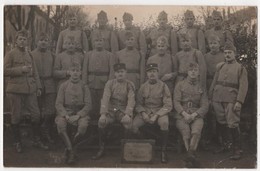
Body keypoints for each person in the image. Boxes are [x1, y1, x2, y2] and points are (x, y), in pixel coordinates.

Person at [4, 30, 48, 153]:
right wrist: (20, 69)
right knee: (16, 116)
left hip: (30, 89)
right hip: (15, 90)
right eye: (20, 39)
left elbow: (35, 73)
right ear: (16, 40)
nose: (23, 41)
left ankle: (36, 139)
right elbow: (4, 71)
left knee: (36, 115)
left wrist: (38, 87)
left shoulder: (30, 55)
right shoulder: (10, 54)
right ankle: (17, 142)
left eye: (24, 39)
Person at [209, 42, 248, 160]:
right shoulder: (220, 66)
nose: (227, 55)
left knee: (233, 123)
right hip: (217, 98)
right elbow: (214, 82)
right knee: (221, 122)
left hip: (231, 100)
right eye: (225, 53)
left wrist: (239, 101)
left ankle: (237, 150)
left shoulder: (240, 68)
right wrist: (210, 98)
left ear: (235, 54)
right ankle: (225, 145)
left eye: (230, 53)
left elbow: (243, 86)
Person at [92, 63, 135, 160]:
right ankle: (101, 148)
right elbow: (105, 98)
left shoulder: (129, 84)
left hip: (123, 110)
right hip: (111, 110)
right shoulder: (110, 83)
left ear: (126, 73)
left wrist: (127, 114)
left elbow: (131, 100)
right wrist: (103, 114)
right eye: (118, 72)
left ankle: (125, 149)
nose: (120, 74)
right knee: (101, 122)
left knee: (127, 123)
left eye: (122, 72)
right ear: (114, 74)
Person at [132, 63, 172, 163]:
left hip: (159, 111)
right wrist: (143, 113)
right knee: (133, 126)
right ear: (147, 74)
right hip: (145, 111)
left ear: (158, 73)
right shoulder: (143, 86)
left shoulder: (163, 86)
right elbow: (138, 104)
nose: (152, 74)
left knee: (164, 123)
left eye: (154, 71)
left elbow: (168, 105)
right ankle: (146, 144)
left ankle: (163, 150)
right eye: (150, 72)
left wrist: (157, 115)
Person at [55, 63, 92, 164]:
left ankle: (69, 148)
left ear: (80, 72)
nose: (75, 73)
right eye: (73, 70)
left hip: (80, 113)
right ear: (69, 72)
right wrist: (66, 115)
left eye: (77, 71)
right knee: (60, 125)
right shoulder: (63, 85)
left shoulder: (84, 86)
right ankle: (71, 151)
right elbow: (58, 103)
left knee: (83, 126)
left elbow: (88, 105)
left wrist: (78, 115)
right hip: (66, 112)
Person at [174, 62, 209, 168]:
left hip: (196, 114)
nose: (193, 72)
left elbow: (205, 105)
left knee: (196, 131)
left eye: (195, 70)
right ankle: (192, 155)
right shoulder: (180, 84)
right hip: (182, 114)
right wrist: (184, 114)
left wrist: (194, 115)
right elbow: (176, 102)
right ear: (187, 72)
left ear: (198, 73)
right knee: (186, 132)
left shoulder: (201, 86)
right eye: (191, 70)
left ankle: (189, 155)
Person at [82, 32, 116, 120]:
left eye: (101, 40)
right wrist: (84, 83)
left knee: (103, 102)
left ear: (104, 42)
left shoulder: (109, 55)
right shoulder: (88, 54)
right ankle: (92, 124)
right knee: (91, 103)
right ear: (93, 43)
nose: (99, 42)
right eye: (96, 41)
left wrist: (110, 83)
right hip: (91, 82)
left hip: (104, 83)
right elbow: (84, 70)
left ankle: (103, 123)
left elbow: (112, 71)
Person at [31, 32, 56, 143]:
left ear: (49, 43)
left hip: (50, 83)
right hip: (36, 84)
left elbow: (55, 70)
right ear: (37, 42)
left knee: (50, 110)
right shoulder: (31, 54)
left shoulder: (52, 55)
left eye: (46, 40)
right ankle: (37, 136)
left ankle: (46, 131)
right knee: (37, 111)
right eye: (41, 40)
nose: (43, 42)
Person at [204, 34, 225, 147]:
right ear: (208, 45)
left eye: (215, 43)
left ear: (219, 44)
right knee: (207, 110)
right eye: (211, 43)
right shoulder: (205, 56)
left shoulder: (223, 56)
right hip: (207, 83)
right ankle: (208, 137)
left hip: (219, 85)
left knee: (218, 110)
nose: (213, 45)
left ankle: (219, 137)